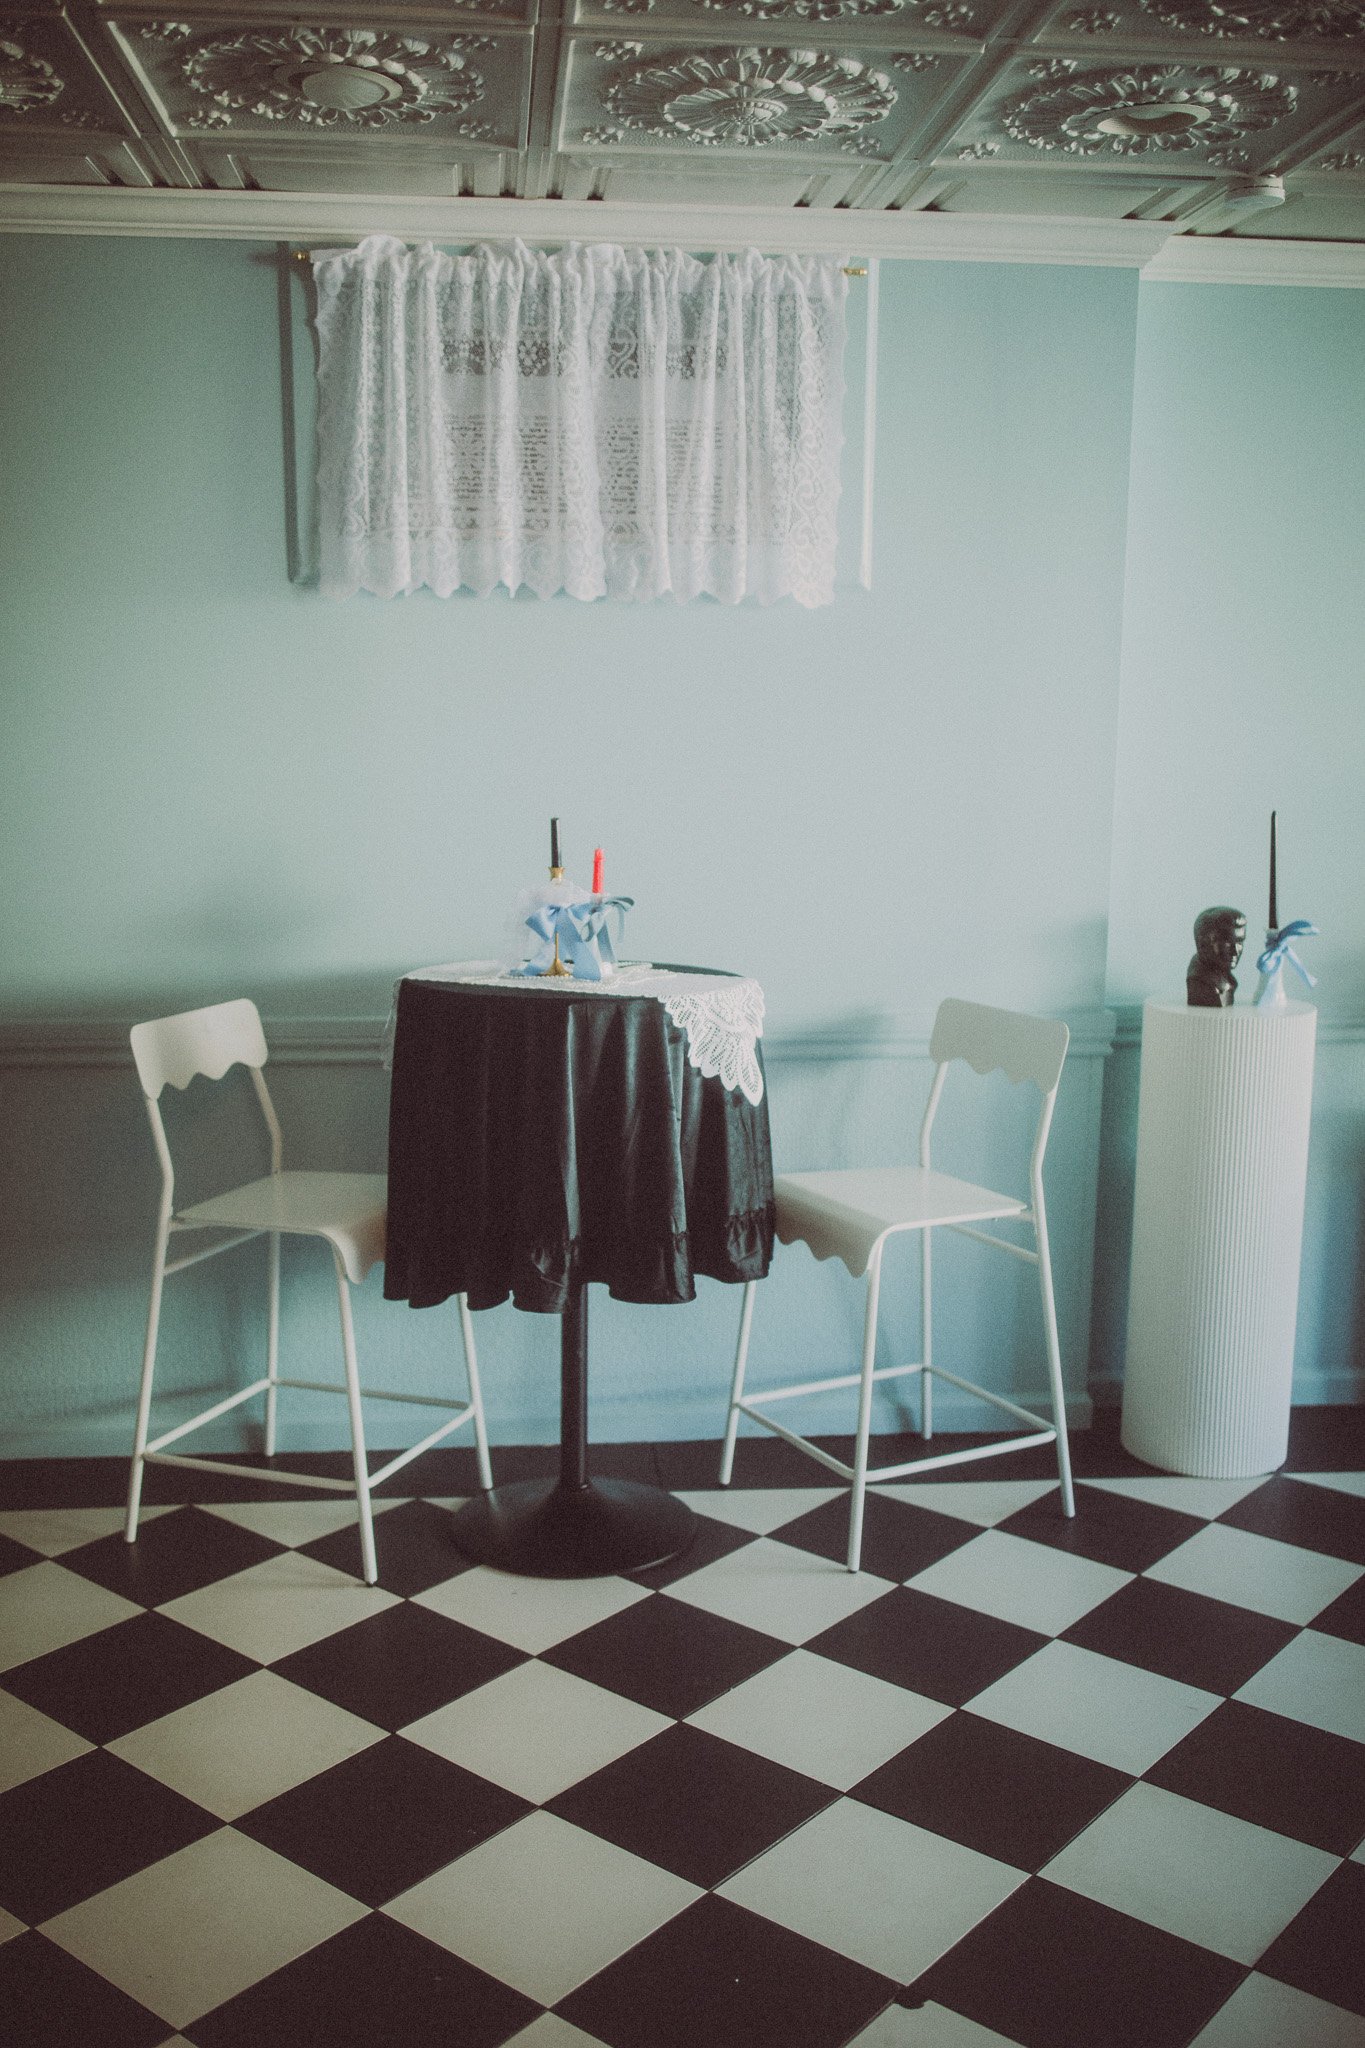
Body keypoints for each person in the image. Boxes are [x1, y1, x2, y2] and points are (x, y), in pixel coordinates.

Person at [1187, 906, 1246, 1008]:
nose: (1235, 952)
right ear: (1203, 944)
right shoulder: (1200, 981)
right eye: (1227, 943)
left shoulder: (1227, 978)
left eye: (1240, 942)